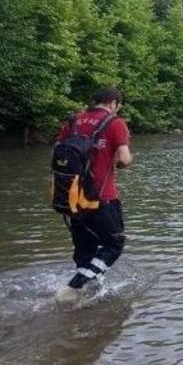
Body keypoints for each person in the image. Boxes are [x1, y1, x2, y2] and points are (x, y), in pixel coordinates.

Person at [54, 88, 133, 301]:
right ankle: (75, 286)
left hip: (71, 197)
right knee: (114, 244)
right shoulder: (115, 123)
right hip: (102, 197)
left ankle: (89, 293)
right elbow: (124, 159)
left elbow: (57, 152)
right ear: (114, 103)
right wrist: (115, 162)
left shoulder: (73, 121)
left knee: (85, 248)